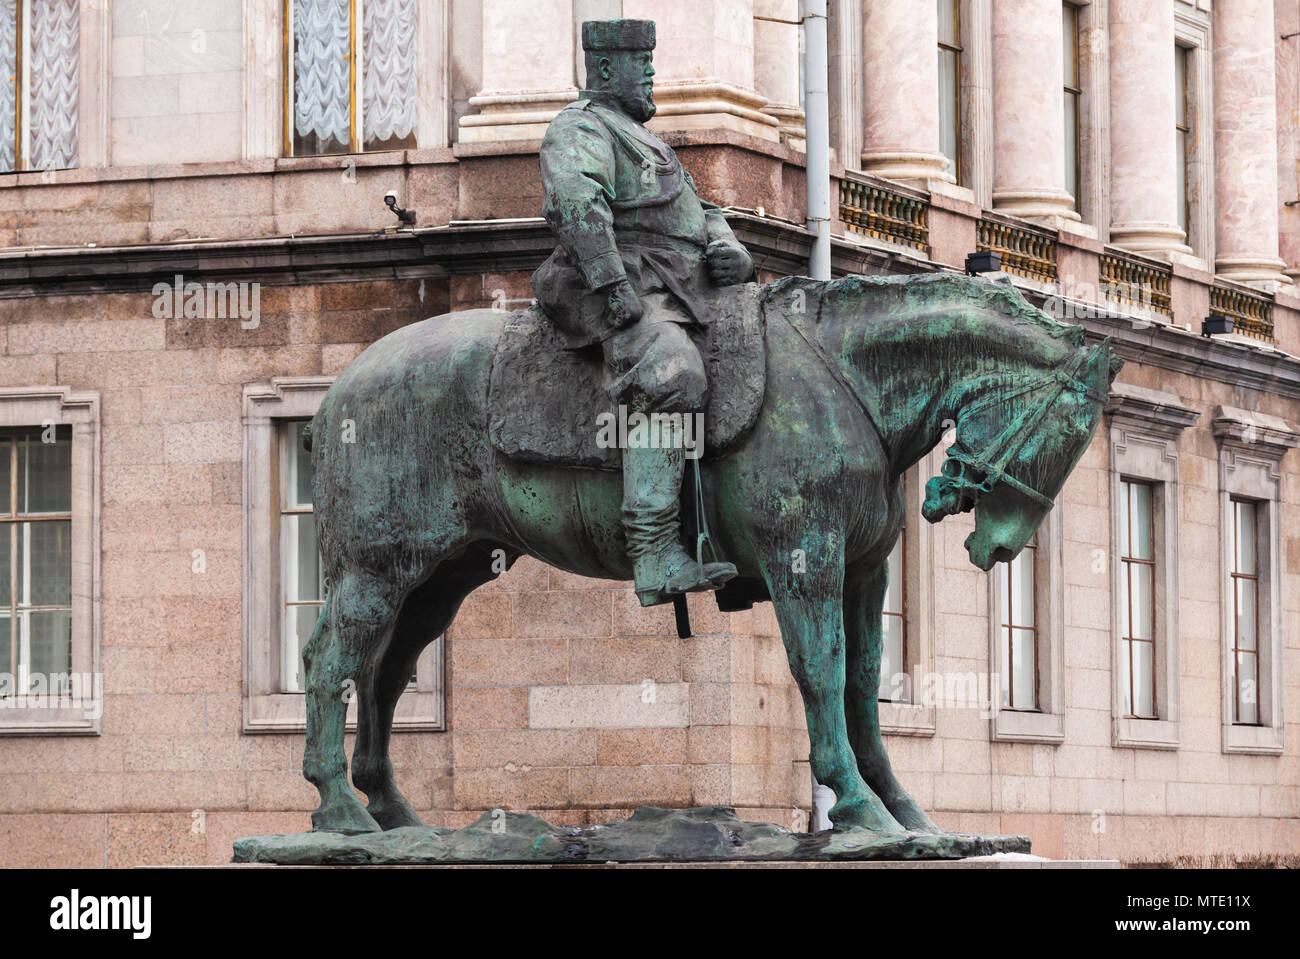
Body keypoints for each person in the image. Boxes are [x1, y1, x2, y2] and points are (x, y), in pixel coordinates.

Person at [531, 18, 754, 607]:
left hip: (684, 284)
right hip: (619, 285)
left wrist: (729, 247)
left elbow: (699, 208)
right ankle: (653, 551)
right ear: (606, 68)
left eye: (650, 60)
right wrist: (610, 283)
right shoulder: (580, 129)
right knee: (671, 373)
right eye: (641, 62)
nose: (652, 73)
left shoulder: (647, 139)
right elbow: (576, 201)